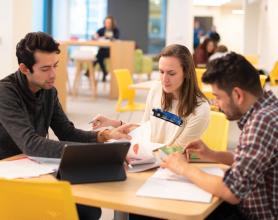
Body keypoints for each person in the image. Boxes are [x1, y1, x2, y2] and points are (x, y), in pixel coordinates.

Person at [0, 32, 135, 220]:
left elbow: (66, 132)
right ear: (24, 68)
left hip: (36, 167)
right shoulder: (5, 92)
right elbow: (30, 144)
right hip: (8, 174)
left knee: (89, 208)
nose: (54, 74)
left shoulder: (49, 92)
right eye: (45, 68)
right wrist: (95, 154)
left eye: (55, 65)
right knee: (77, 210)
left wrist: (104, 135)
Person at [161, 52, 278, 220]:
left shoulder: (261, 122)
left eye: (218, 97)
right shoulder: (269, 109)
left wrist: (183, 168)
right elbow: (251, 161)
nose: (216, 104)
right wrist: (212, 155)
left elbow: (231, 190)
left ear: (238, 95)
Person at [92, 44, 210, 148]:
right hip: (149, 156)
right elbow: (146, 130)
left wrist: (142, 155)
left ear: (186, 73)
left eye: (171, 73)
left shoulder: (200, 109)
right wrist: (113, 123)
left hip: (174, 164)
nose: (164, 79)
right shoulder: (156, 90)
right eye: (161, 72)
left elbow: (176, 150)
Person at [93, 15, 119, 82]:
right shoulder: (102, 29)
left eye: (109, 22)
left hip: (111, 51)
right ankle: (104, 72)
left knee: (98, 56)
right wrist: (95, 36)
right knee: (100, 54)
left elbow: (116, 38)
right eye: (106, 22)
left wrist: (109, 37)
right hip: (103, 50)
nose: (107, 24)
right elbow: (94, 36)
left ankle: (102, 72)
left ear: (112, 23)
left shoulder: (115, 30)